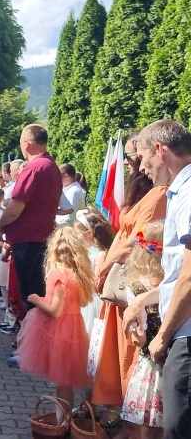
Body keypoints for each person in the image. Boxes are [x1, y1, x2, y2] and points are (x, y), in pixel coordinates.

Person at [92, 132, 167, 426]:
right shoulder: (142, 191)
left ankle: (132, 418)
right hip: (120, 278)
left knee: (130, 350)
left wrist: (105, 267)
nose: (127, 162)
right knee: (115, 349)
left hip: (135, 281)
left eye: (131, 156)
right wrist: (105, 266)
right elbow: (122, 233)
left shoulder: (158, 194)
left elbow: (137, 240)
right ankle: (119, 409)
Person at [126, 119, 191, 438]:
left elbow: (189, 276)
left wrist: (162, 336)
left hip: (185, 335)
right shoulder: (180, 190)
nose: (141, 167)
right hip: (183, 329)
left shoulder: (188, 191)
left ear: (160, 150)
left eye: (142, 157)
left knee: (177, 427)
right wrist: (144, 298)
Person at [17, 226, 94, 414]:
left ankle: (62, 422)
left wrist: (37, 300)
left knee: (62, 383)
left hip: (60, 331)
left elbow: (55, 311)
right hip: (74, 328)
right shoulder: (78, 275)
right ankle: (64, 419)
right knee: (65, 381)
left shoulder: (58, 275)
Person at [0, 124, 63, 311]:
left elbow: (14, 209)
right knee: (40, 296)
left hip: (29, 242)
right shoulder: (51, 166)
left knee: (31, 297)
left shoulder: (35, 168)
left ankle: (34, 330)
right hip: (42, 238)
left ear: (26, 143)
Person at [120, 221, 165, 439]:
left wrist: (136, 334)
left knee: (148, 425)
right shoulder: (175, 282)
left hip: (152, 366)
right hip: (176, 358)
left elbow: (140, 339)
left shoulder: (136, 288)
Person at [74, 209, 114, 335]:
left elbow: (96, 282)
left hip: (93, 301)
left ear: (88, 233)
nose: (75, 237)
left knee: (90, 333)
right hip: (84, 298)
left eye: (77, 233)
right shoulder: (85, 253)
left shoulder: (100, 254)